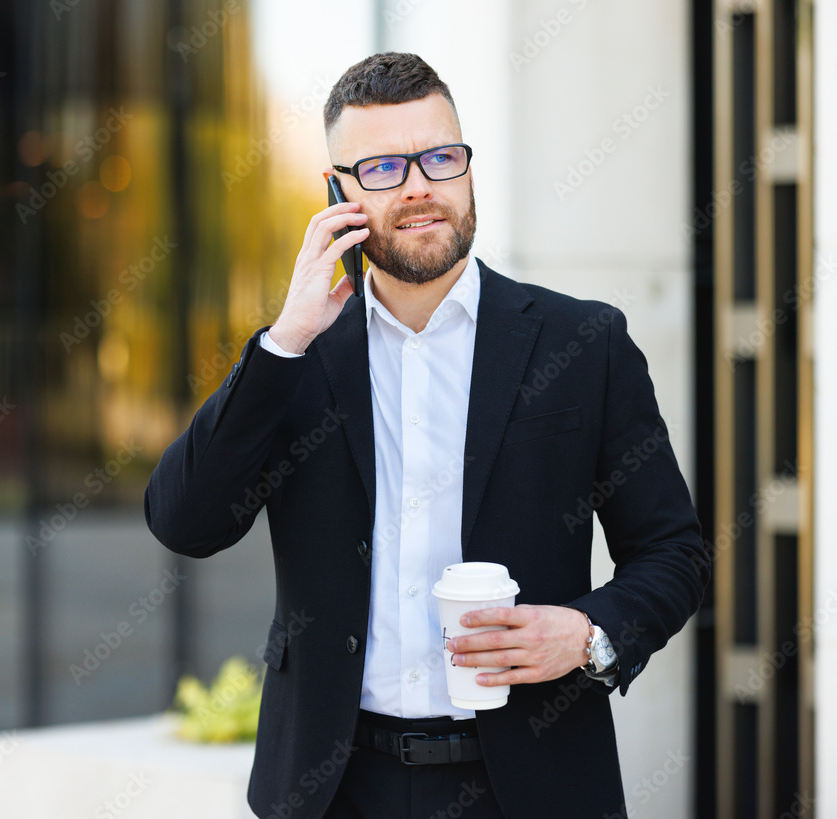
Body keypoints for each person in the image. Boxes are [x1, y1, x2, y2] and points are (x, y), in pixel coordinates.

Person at [145, 52, 709, 819]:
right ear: (337, 194)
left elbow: (674, 552)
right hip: (331, 788)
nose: (418, 186)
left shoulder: (584, 343)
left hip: (530, 786)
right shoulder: (296, 357)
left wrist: (584, 633)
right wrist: (283, 341)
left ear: (467, 170)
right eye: (381, 167)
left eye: (440, 157)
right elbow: (185, 520)